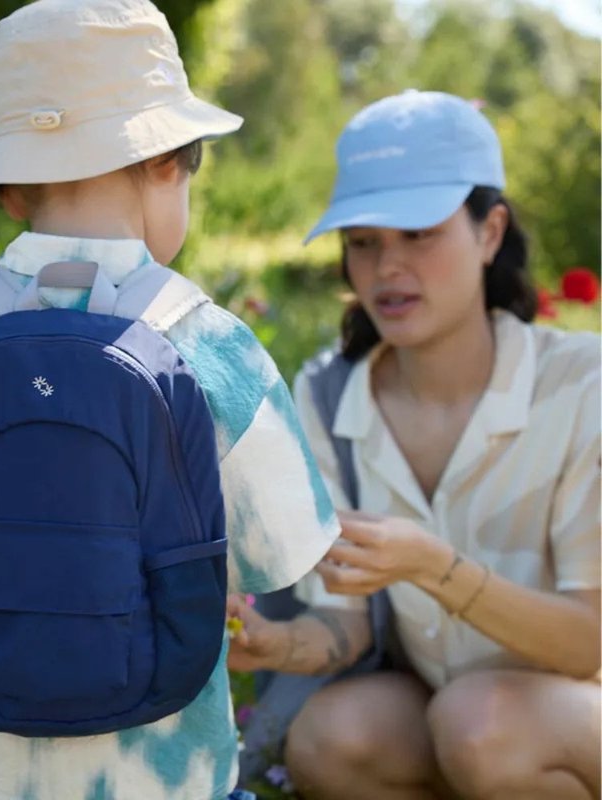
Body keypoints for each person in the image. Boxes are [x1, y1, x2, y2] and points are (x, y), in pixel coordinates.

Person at [0, 2, 342, 798]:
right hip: (169, 767)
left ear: (10, 193)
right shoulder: (213, 345)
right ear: (167, 162)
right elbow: (278, 553)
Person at [228, 89, 601, 800]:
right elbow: (346, 626)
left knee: (480, 725)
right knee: (330, 740)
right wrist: (277, 645)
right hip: (446, 712)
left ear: (490, 232)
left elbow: (590, 642)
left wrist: (436, 568)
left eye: (418, 234)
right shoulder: (331, 397)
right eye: (363, 242)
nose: (386, 268)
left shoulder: (584, 385)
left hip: (579, 710)